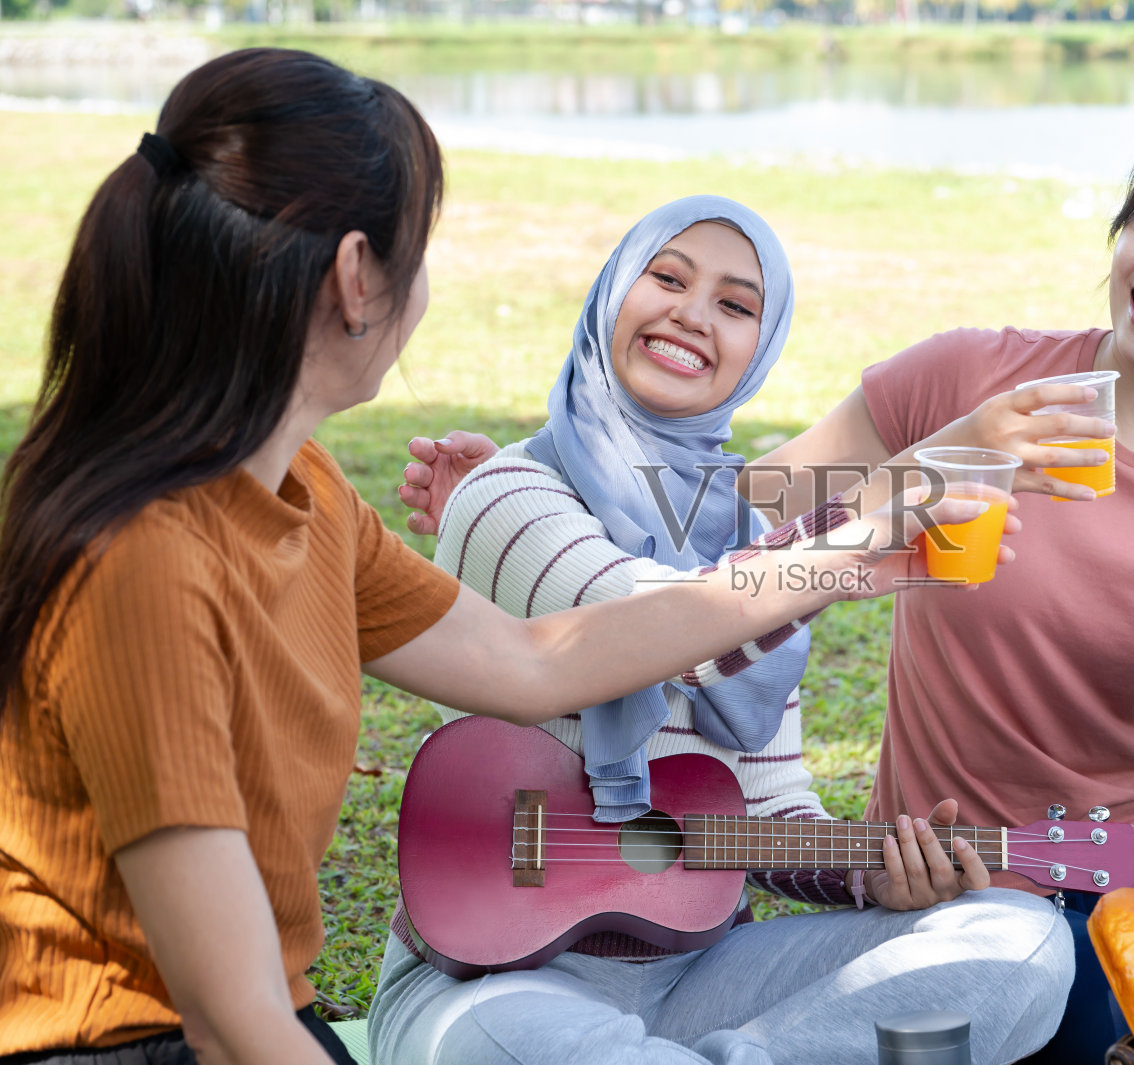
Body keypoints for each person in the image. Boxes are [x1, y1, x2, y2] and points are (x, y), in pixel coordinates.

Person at [0, 50, 1039, 1065]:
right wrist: (859, 530)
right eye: (422, 250)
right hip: (132, 1042)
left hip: (328, 1011)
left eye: (735, 302)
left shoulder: (310, 496)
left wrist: (856, 555)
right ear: (359, 279)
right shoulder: (144, 560)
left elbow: (547, 658)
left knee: (1022, 942)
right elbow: (232, 1026)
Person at [403, 100, 1134, 1062]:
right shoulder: (975, 378)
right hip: (958, 854)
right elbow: (756, 501)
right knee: (1094, 1036)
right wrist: (531, 479)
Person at [370, 196, 1073, 1065]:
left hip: (702, 978)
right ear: (610, 295)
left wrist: (874, 876)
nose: (693, 315)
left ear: (759, 350)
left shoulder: (747, 543)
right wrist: (845, 546)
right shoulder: (503, 495)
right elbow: (647, 620)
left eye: (737, 306)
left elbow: (771, 808)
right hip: (492, 981)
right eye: (666, 278)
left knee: (1024, 938)